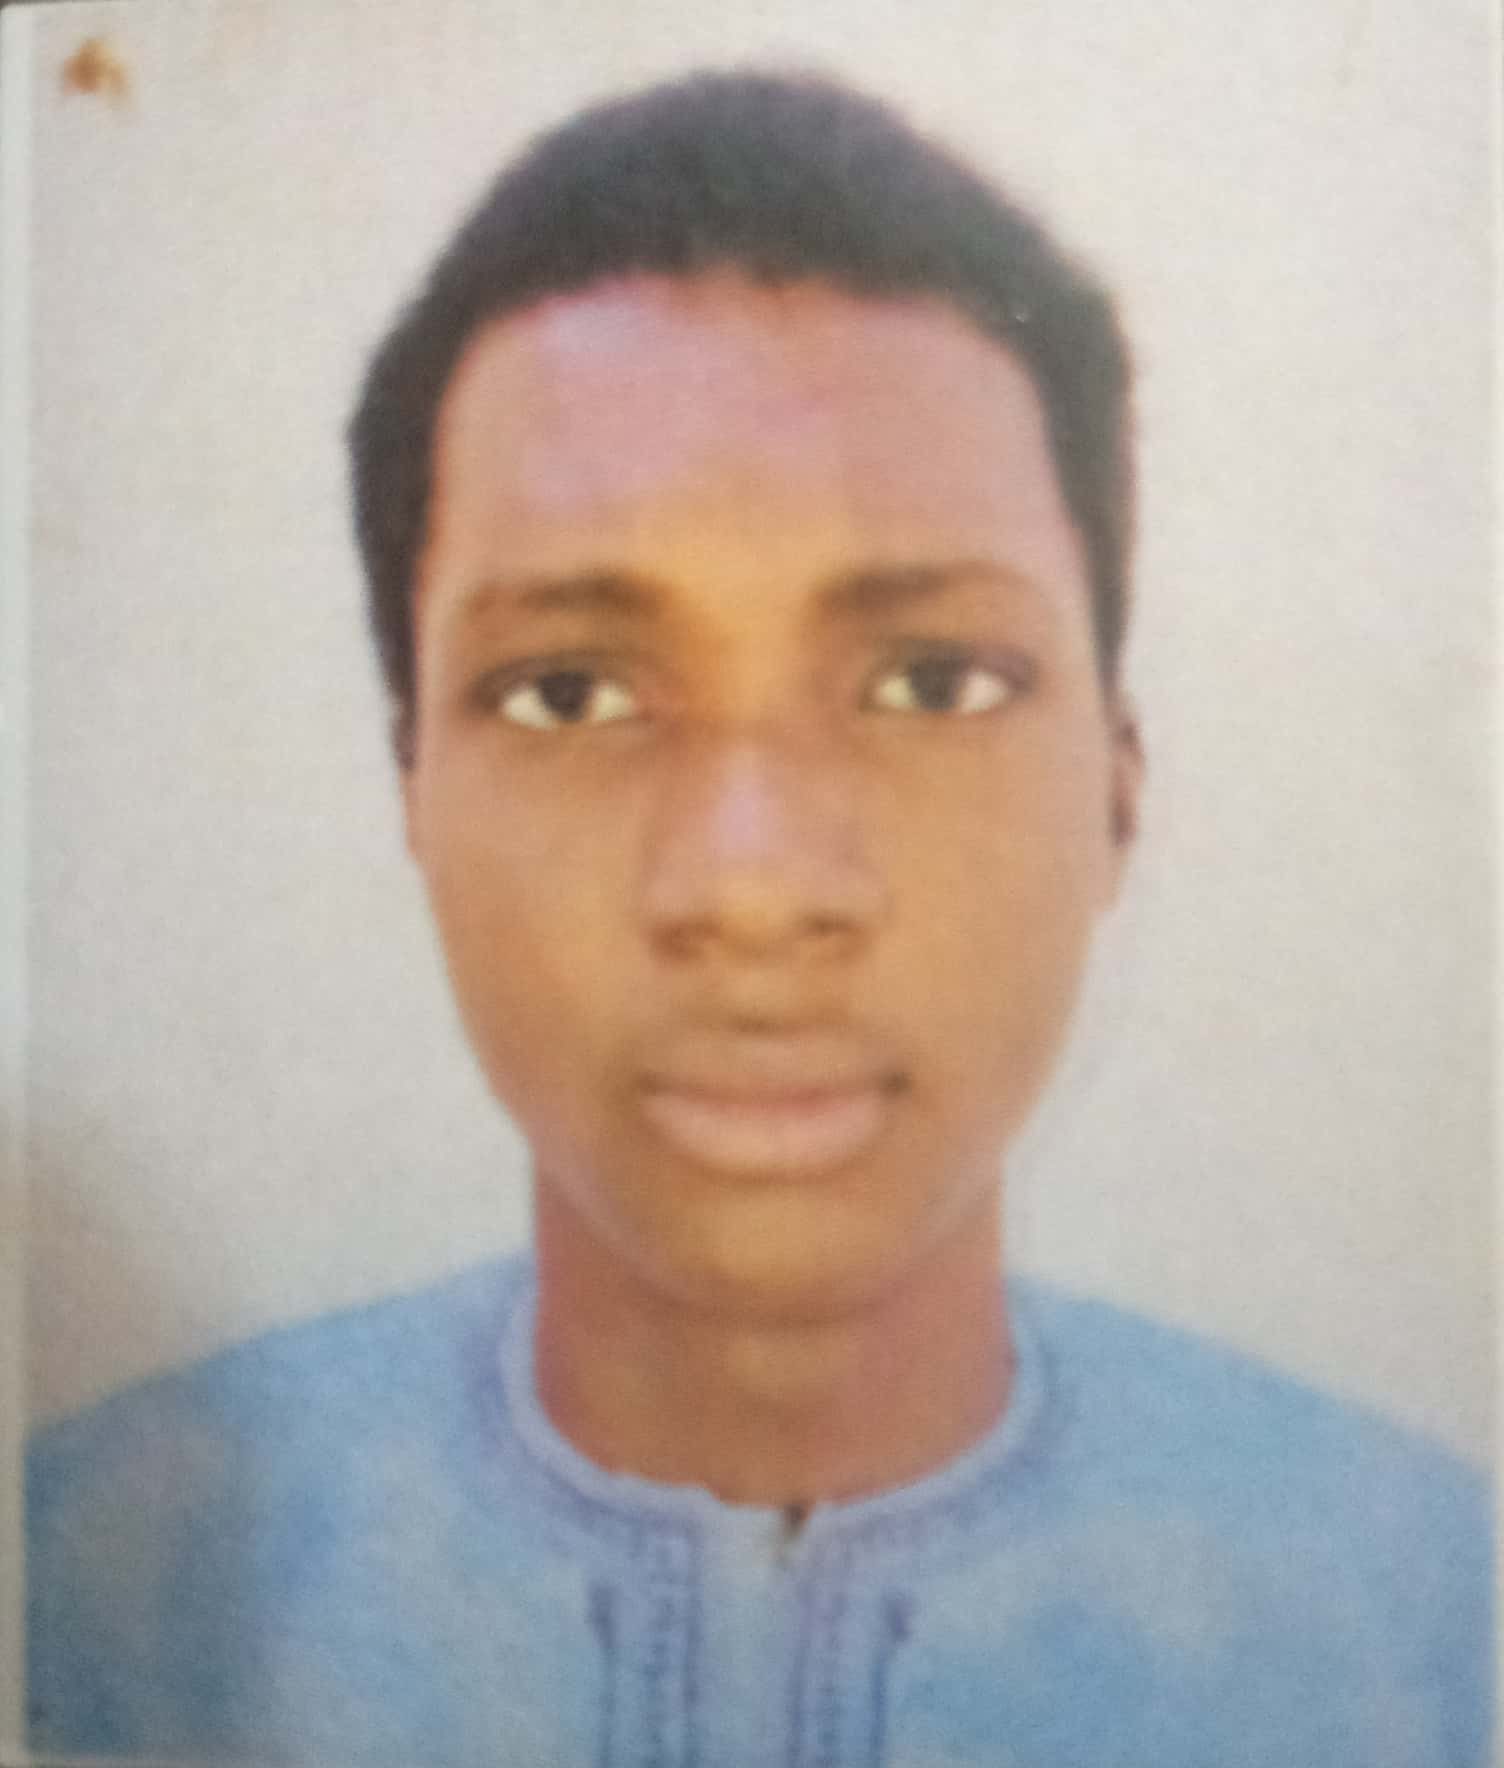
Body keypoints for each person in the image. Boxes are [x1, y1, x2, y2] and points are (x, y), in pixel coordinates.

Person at [26, 69, 1489, 1767]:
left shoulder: (1434, 1633)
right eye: (569, 692)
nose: (752, 887)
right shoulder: (82, 1597)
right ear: (412, 785)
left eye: (933, 680)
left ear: (1119, 789)